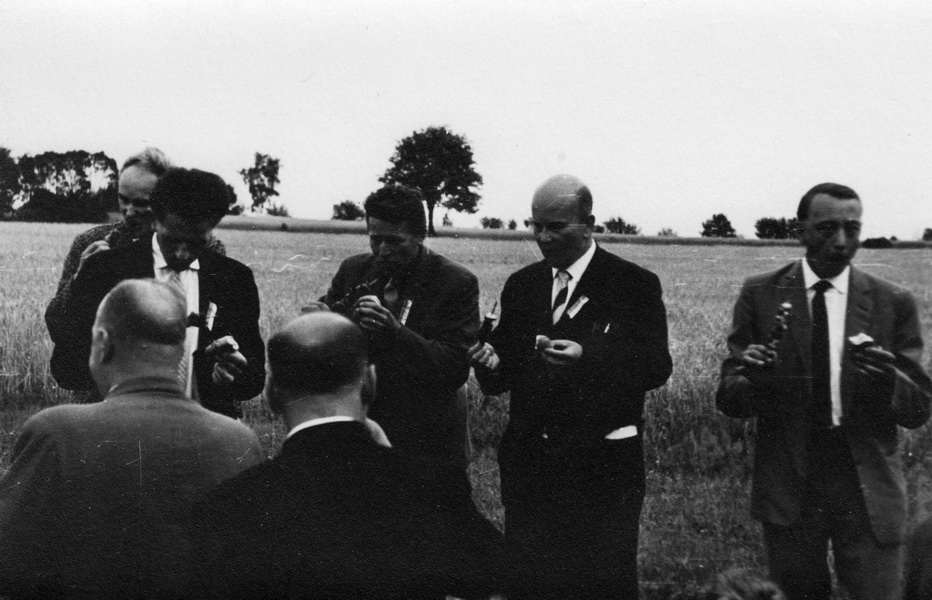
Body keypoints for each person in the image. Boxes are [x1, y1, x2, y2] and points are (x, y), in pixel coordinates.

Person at [190, 312, 504, 600]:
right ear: (370, 383)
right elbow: (505, 578)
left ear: (272, 395)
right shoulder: (432, 487)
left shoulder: (228, 506)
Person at [716, 182, 932, 600]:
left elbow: (919, 408)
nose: (841, 241)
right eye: (827, 228)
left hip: (867, 483)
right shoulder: (760, 293)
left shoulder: (892, 301)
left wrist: (888, 380)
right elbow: (729, 397)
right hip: (790, 482)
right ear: (800, 230)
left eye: (852, 228)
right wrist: (752, 377)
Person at [470, 174, 673, 599]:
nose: (543, 237)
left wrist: (588, 356)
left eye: (556, 227)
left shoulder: (633, 283)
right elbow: (502, 375)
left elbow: (656, 366)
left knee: (602, 583)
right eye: (536, 226)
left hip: (603, 467)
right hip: (531, 467)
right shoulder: (522, 285)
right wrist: (489, 361)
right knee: (531, 584)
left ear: (589, 225)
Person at [0, 279, 264, 599]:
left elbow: (11, 563)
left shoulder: (57, 433)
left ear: (102, 341)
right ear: (181, 348)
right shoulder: (239, 441)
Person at [49, 167, 265, 418]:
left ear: (213, 227)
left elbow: (253, 381)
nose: (182, 253)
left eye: (195, 243)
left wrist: (234, 373)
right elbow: (66, 370)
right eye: (171, 240)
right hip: (120, 427)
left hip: (203, 430)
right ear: (154, 221)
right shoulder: (104, 270)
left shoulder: (234, 279)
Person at [319, 183, 480, 462]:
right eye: (375, 239)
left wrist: (395, 332)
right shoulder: (353, 270)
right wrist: (319, 319)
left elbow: (455, 368)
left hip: (427, 431)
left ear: (420, 236)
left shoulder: (455, 282)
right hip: (361, 421)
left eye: (394, 241)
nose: (383, 250)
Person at [45, 148, 226, 349]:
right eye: (123, 199)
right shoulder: (89, 242)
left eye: (141, 203)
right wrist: (80, 278)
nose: (129, 212)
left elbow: (216, 326)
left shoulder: (206, 249)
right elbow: (57, 327)